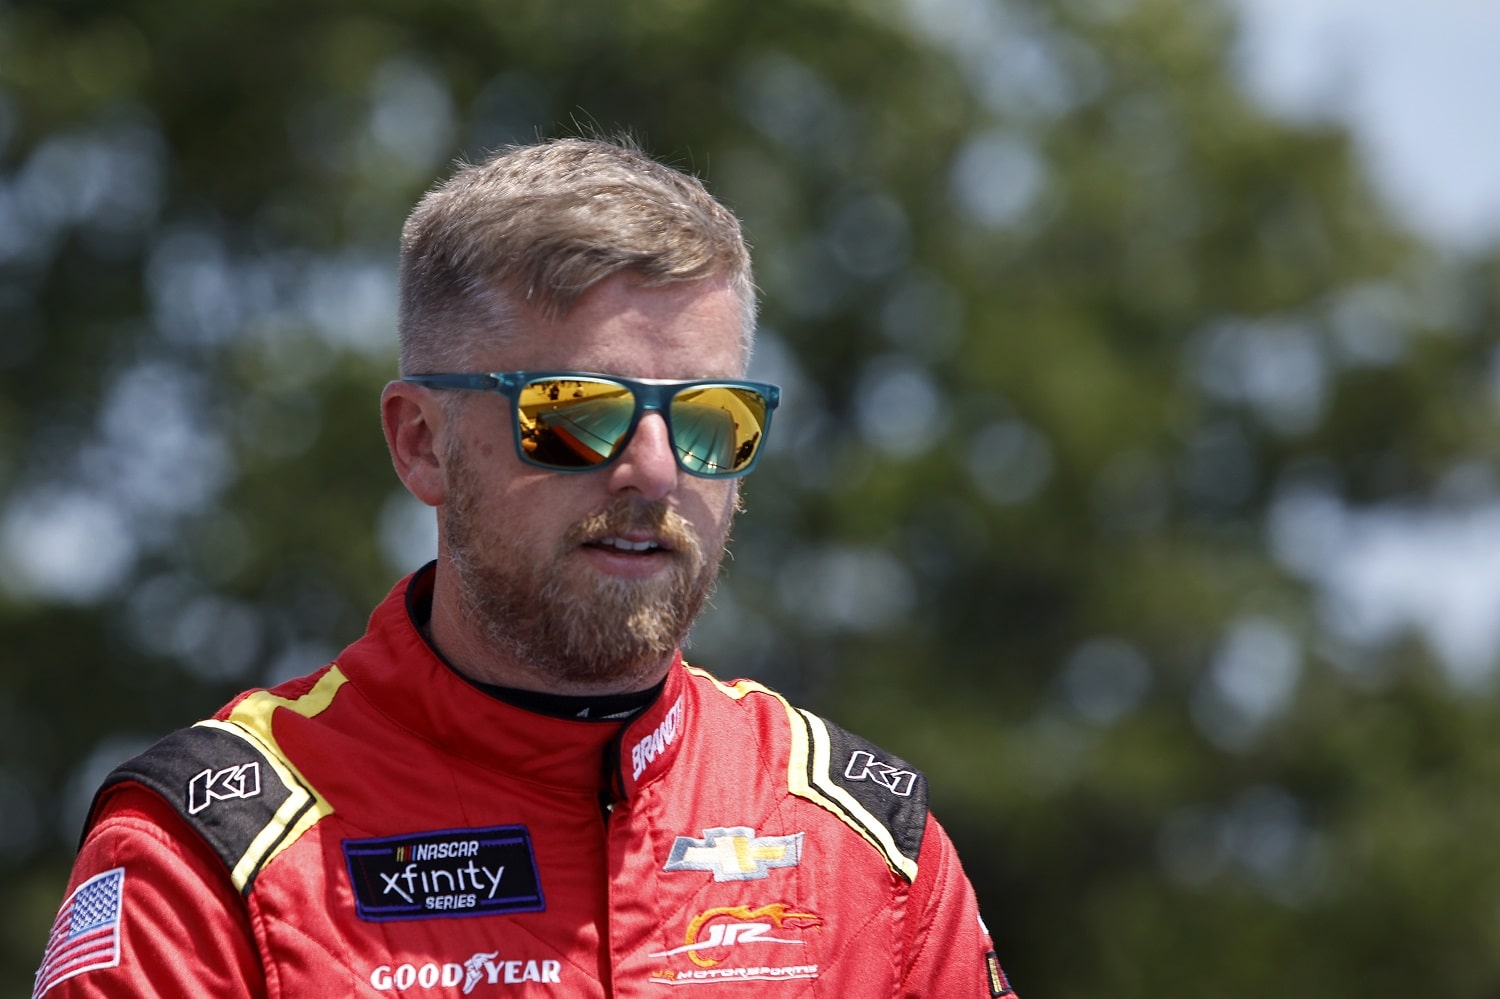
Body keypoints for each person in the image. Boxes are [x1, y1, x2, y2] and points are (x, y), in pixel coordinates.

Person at [35, 136, 1017, 998]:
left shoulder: (866, 840)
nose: (655, 470)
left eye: (713, 421)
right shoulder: (211, 854)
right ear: (421, 442)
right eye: (576, 415)